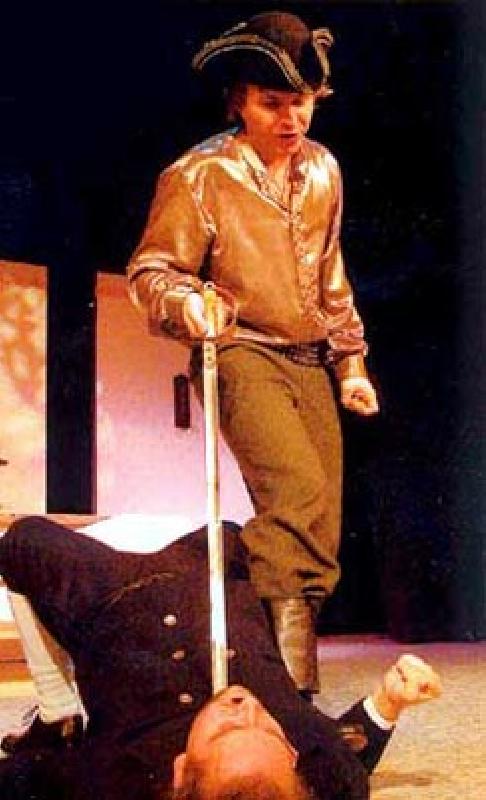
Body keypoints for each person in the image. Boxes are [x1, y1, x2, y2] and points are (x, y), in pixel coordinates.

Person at [126, 10, 379, 696]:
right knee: (294, 493)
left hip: (310, 358)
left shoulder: (323, 169)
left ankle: (272, 676)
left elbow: (330, 273)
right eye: (273, 103)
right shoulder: (199, 174)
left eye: (302, 102)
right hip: (241, 350)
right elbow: (152, 271)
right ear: (239, 100)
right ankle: (290, 696)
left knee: (318, 522)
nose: (291, 118)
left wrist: (351, 363)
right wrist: (189, 304)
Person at [0, 516, 441, 800]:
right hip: (214, 575)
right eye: (267, 729)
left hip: (116, 595)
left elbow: (23, 779)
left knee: (21, 541)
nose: (244, 704)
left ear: (180, 772)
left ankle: (57, 711)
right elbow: (347, 759)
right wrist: (389, 702)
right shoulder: (320, 771)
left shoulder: (117, 780)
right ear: (293, 755)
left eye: (226, 731)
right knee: (231, 530)